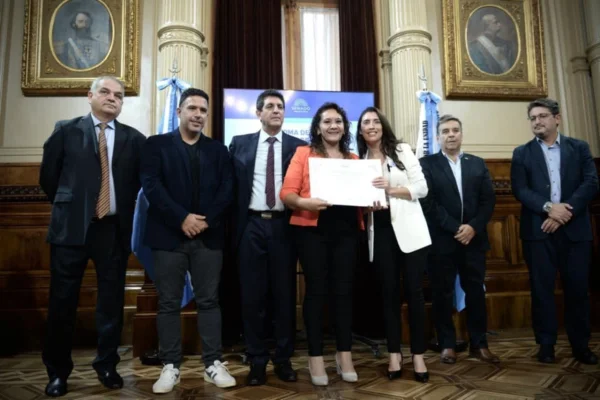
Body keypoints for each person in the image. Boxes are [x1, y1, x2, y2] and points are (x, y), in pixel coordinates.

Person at [39, 76, 146, 397]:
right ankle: (57, 372)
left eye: (119, 95)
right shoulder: (65, 131)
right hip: (70, 229)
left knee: (111, 303)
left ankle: (107, 365)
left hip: (112, 231)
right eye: (105, 92)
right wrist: (73, 207)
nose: (112, 98)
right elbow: (49, 179)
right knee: (62, 303)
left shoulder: (135, 139)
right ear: (90, 96)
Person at [140, 88, 236, 393]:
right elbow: (152, 187)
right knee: (168, 303)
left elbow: (227, 190)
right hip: (168, 236)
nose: (198, 114)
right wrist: (182, 218)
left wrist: (202, 220)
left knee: (209, 301)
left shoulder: (219, 150)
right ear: (179, 111)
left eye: (203, 110)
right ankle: (170, 366)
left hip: (208, 237)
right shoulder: (156, 145)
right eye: (192, 108)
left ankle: (212, 364)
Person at [280, 102, 364, 386]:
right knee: (315, 292)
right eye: (327, 121)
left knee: (344, 293)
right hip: (312, 231)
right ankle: (315, 358)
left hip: (347, 232)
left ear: (344, 127)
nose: (333, 126)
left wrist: (373, 202)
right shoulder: (304, 154)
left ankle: (344, 356)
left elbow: (363, 201)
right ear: (317, 126)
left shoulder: (354, 159)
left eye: (338, 121)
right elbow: (287, 193)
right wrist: (306, 202)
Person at [511, 98, 599, 365]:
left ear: (557, 119)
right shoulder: (521, 153)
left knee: (577, 290)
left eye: (542, 116)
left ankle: (581, 346)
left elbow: (591, 182)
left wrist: (563, 213)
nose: (537, 121)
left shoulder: (579, 147)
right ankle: (546, 345)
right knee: (541, 291)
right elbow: (520, 189)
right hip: (538, 232)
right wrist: (550, 208)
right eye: (533, 118)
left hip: (575, 232)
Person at [229, 90, 305, 386]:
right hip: (250, 226)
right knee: (252, 296)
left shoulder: (299, 147)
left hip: (284, 226)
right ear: (258, 113)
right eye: (270, 106)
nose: (276, 110)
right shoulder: (240, 144)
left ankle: (283, 360)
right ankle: (257, 359)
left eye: (280, 106)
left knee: (284, 296)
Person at [357, 107, 430, 383]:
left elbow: (421, 188)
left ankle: (419, 356)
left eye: (376, 121)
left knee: (414, 294)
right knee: (388, 296)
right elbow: (359, 203)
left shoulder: (401, 150)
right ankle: (394, 354)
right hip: (381, 232)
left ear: (382, 125)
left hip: (410, 231)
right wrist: (366, 206)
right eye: (366, 122)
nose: (372, 126)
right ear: (361, 130)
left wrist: (390, 189)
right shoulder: (359, 160)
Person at [419, 114, 499, 365]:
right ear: (437, 136)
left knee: (475, 292)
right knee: (442, 293)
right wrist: (456, 228)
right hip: (442, 241)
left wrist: (472, 227)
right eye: (445, 131)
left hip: (473, 240)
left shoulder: (477, 163)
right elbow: (428, 203)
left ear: (461, 134)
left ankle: (479, 343)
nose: (451, 134)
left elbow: (488, 201)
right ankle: (447, 344)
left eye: (455, 130)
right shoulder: (427, 164)